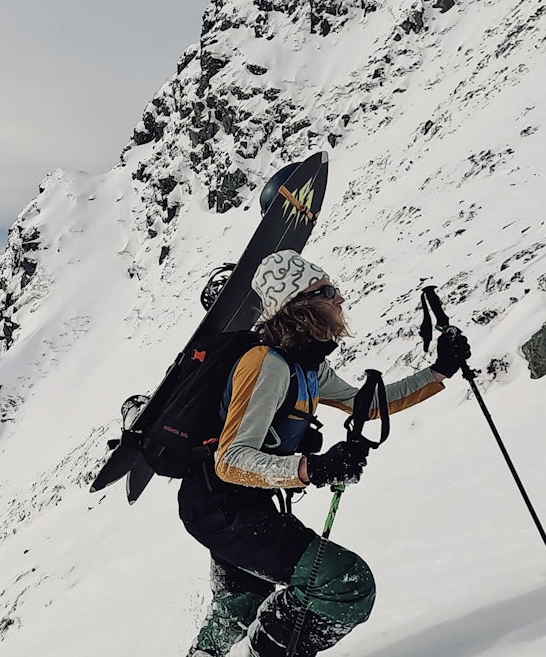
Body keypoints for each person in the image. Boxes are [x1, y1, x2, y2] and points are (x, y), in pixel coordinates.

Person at [180, 249, 471, 657]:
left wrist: (440, 370)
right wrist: (313, 468)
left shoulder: (307, 365)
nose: (340, 298)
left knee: (240, 606)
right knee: (344, 583)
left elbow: (364, 405)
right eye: (327, 291)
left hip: (241, 504)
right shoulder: (266, 365)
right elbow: (230, 461)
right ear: (298, 305)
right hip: (220, 506)